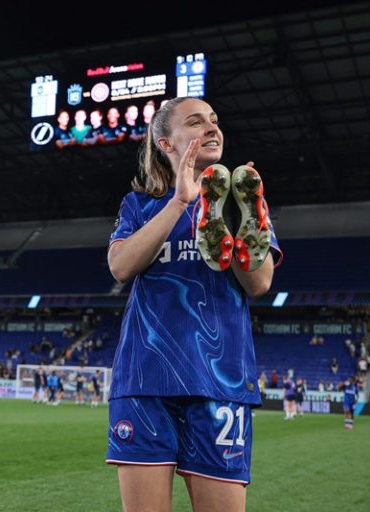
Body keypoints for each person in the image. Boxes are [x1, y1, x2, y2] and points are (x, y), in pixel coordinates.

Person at [105, 96, 281, 511]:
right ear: (166, 144)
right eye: (197, 122)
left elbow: (259, 284)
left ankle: (214, 215)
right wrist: (180, 202)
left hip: (220, 380)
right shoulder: (138, 204)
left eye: (215, 121)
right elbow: (121, 266)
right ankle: (198, 204)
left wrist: (244, 223)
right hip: (145, 379)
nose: (212, 127)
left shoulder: (247, 198)